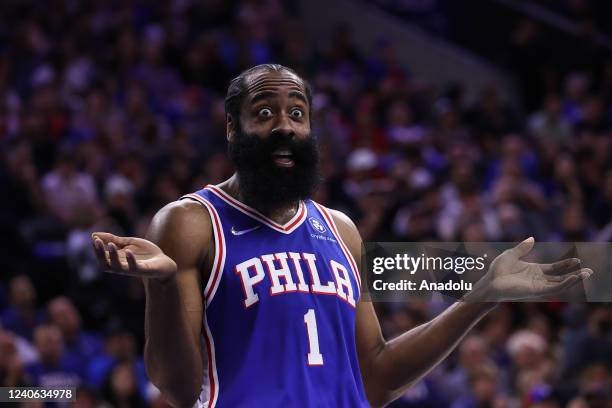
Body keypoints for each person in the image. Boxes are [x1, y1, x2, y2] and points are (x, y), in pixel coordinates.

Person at [91, 64, 593, 408]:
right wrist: (158, 286)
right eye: (264, 113)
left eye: (297, 113)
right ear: (231, 128)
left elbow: (374, 377)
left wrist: (483, 296)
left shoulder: (342, 230)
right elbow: (179, 388)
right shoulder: (190, 221)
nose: (284, 125)